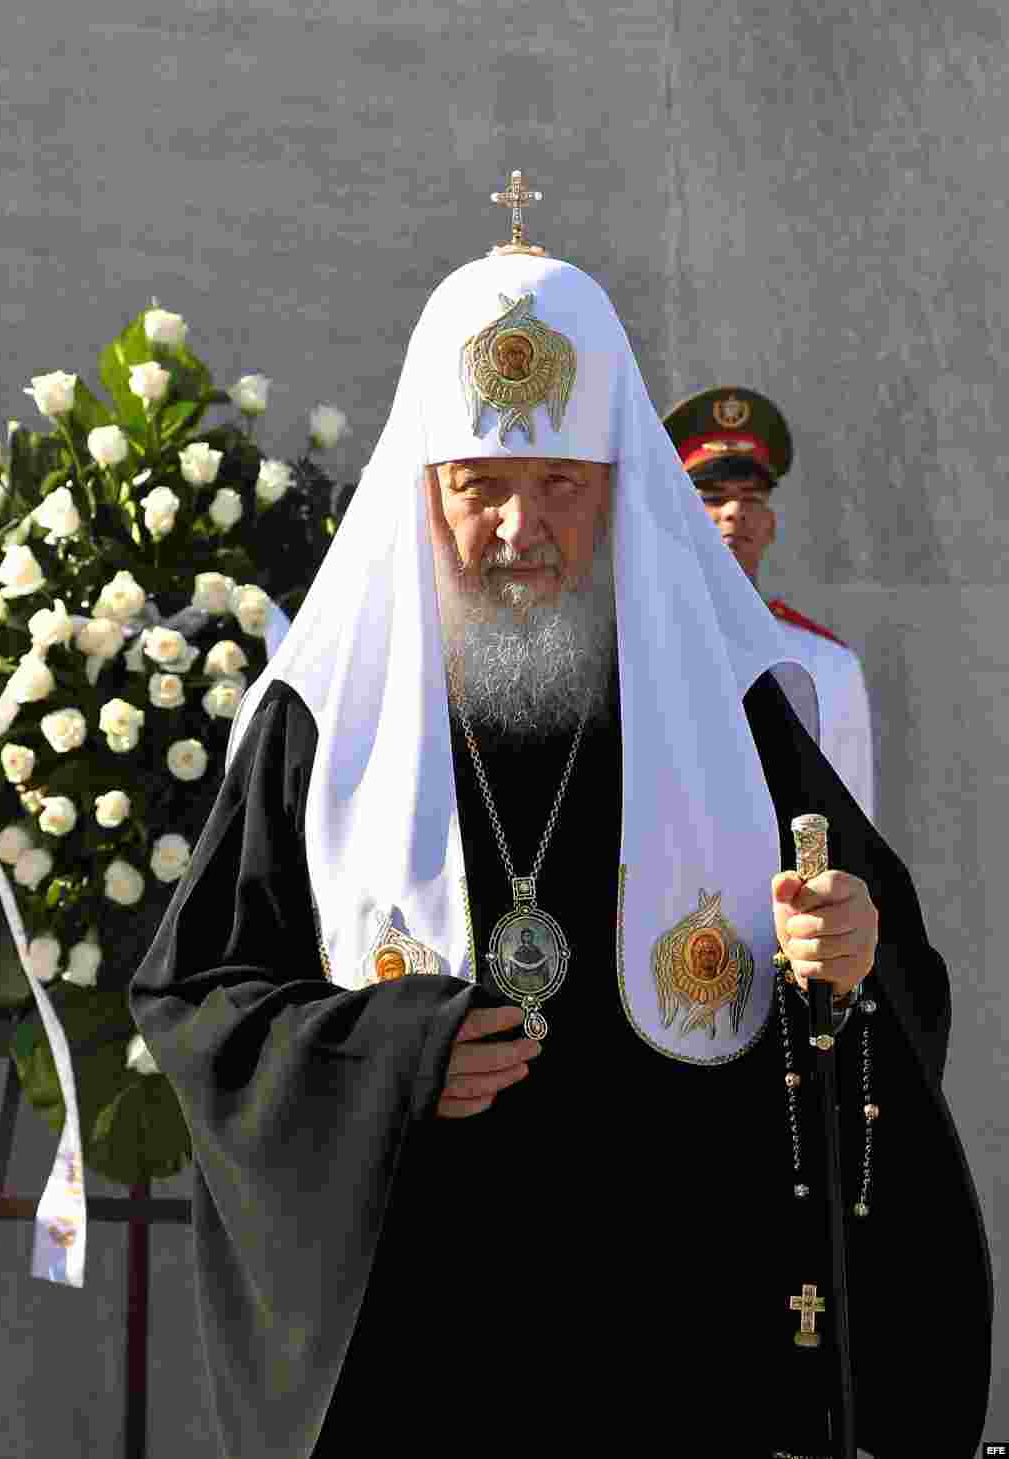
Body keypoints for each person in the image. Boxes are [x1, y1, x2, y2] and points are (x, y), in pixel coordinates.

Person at [128, 190, 991, 1459]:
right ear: (424, 491)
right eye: (479, 486)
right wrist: (389, 1053)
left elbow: (884, 972)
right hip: (427, 1347)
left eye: (558, 485)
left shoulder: (731, 708)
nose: (519, 529)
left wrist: (847, 956)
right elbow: (196, 996)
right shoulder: (327, 720)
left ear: (618, 489)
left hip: (671, 1343)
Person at [663, 387, 876, 822]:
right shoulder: (632, 652)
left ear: (770, 524)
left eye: (752, 497)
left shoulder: (827, 666)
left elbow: (852, 827)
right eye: (711, 496)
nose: (734, 510)